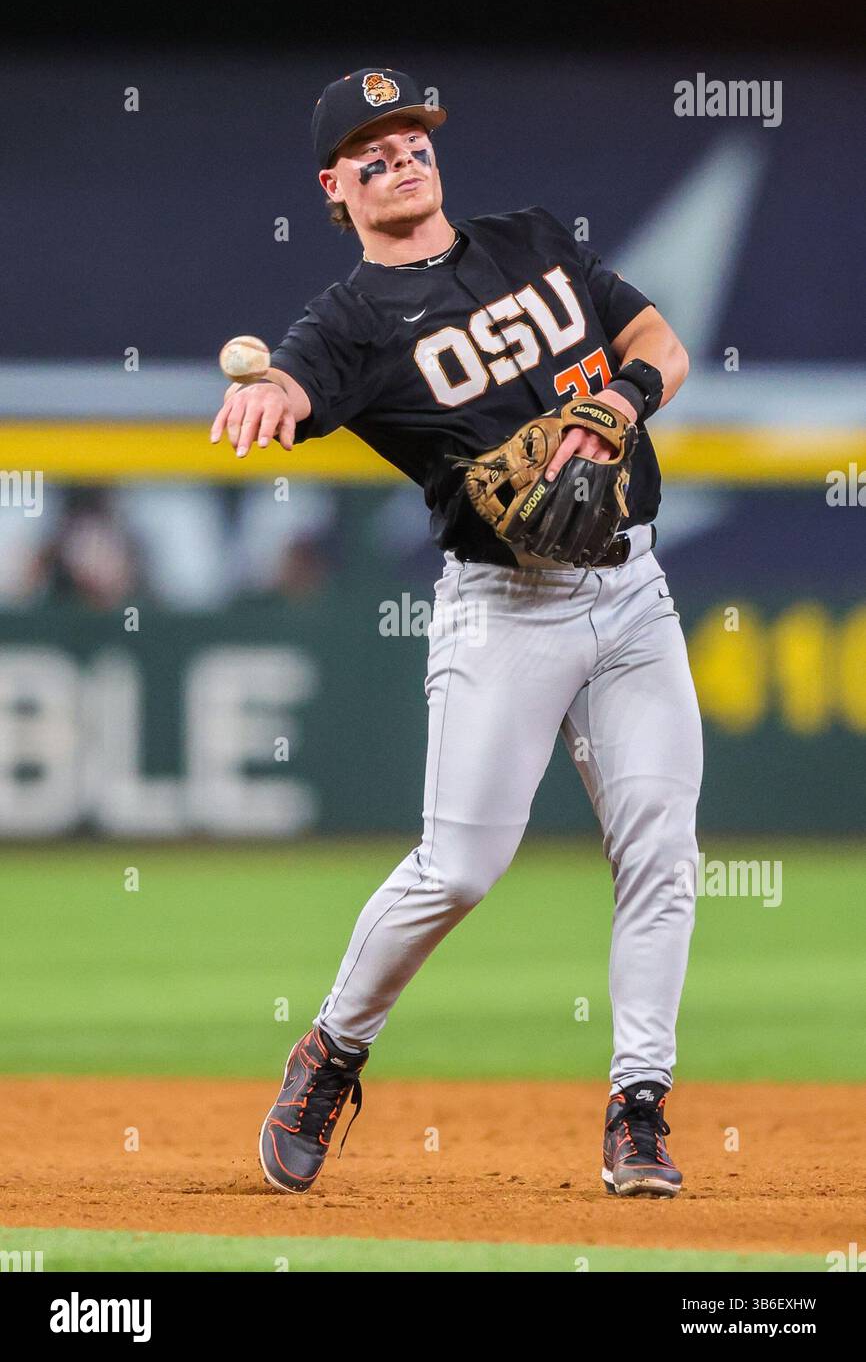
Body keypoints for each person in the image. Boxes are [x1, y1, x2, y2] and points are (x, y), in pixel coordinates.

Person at [210, 67, 703, 1199]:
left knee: (661, 853)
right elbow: (292, 382)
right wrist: (274, 396)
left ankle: (638, 1107)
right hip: (506, 608)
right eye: (369, 153)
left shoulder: (531, 241)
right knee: (460, 867)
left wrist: (623, 397)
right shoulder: (345, 323)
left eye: (412, 140)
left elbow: (660, 342)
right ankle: (330, 1050)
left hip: (632, 592)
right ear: (332, 187)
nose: (400, 160)